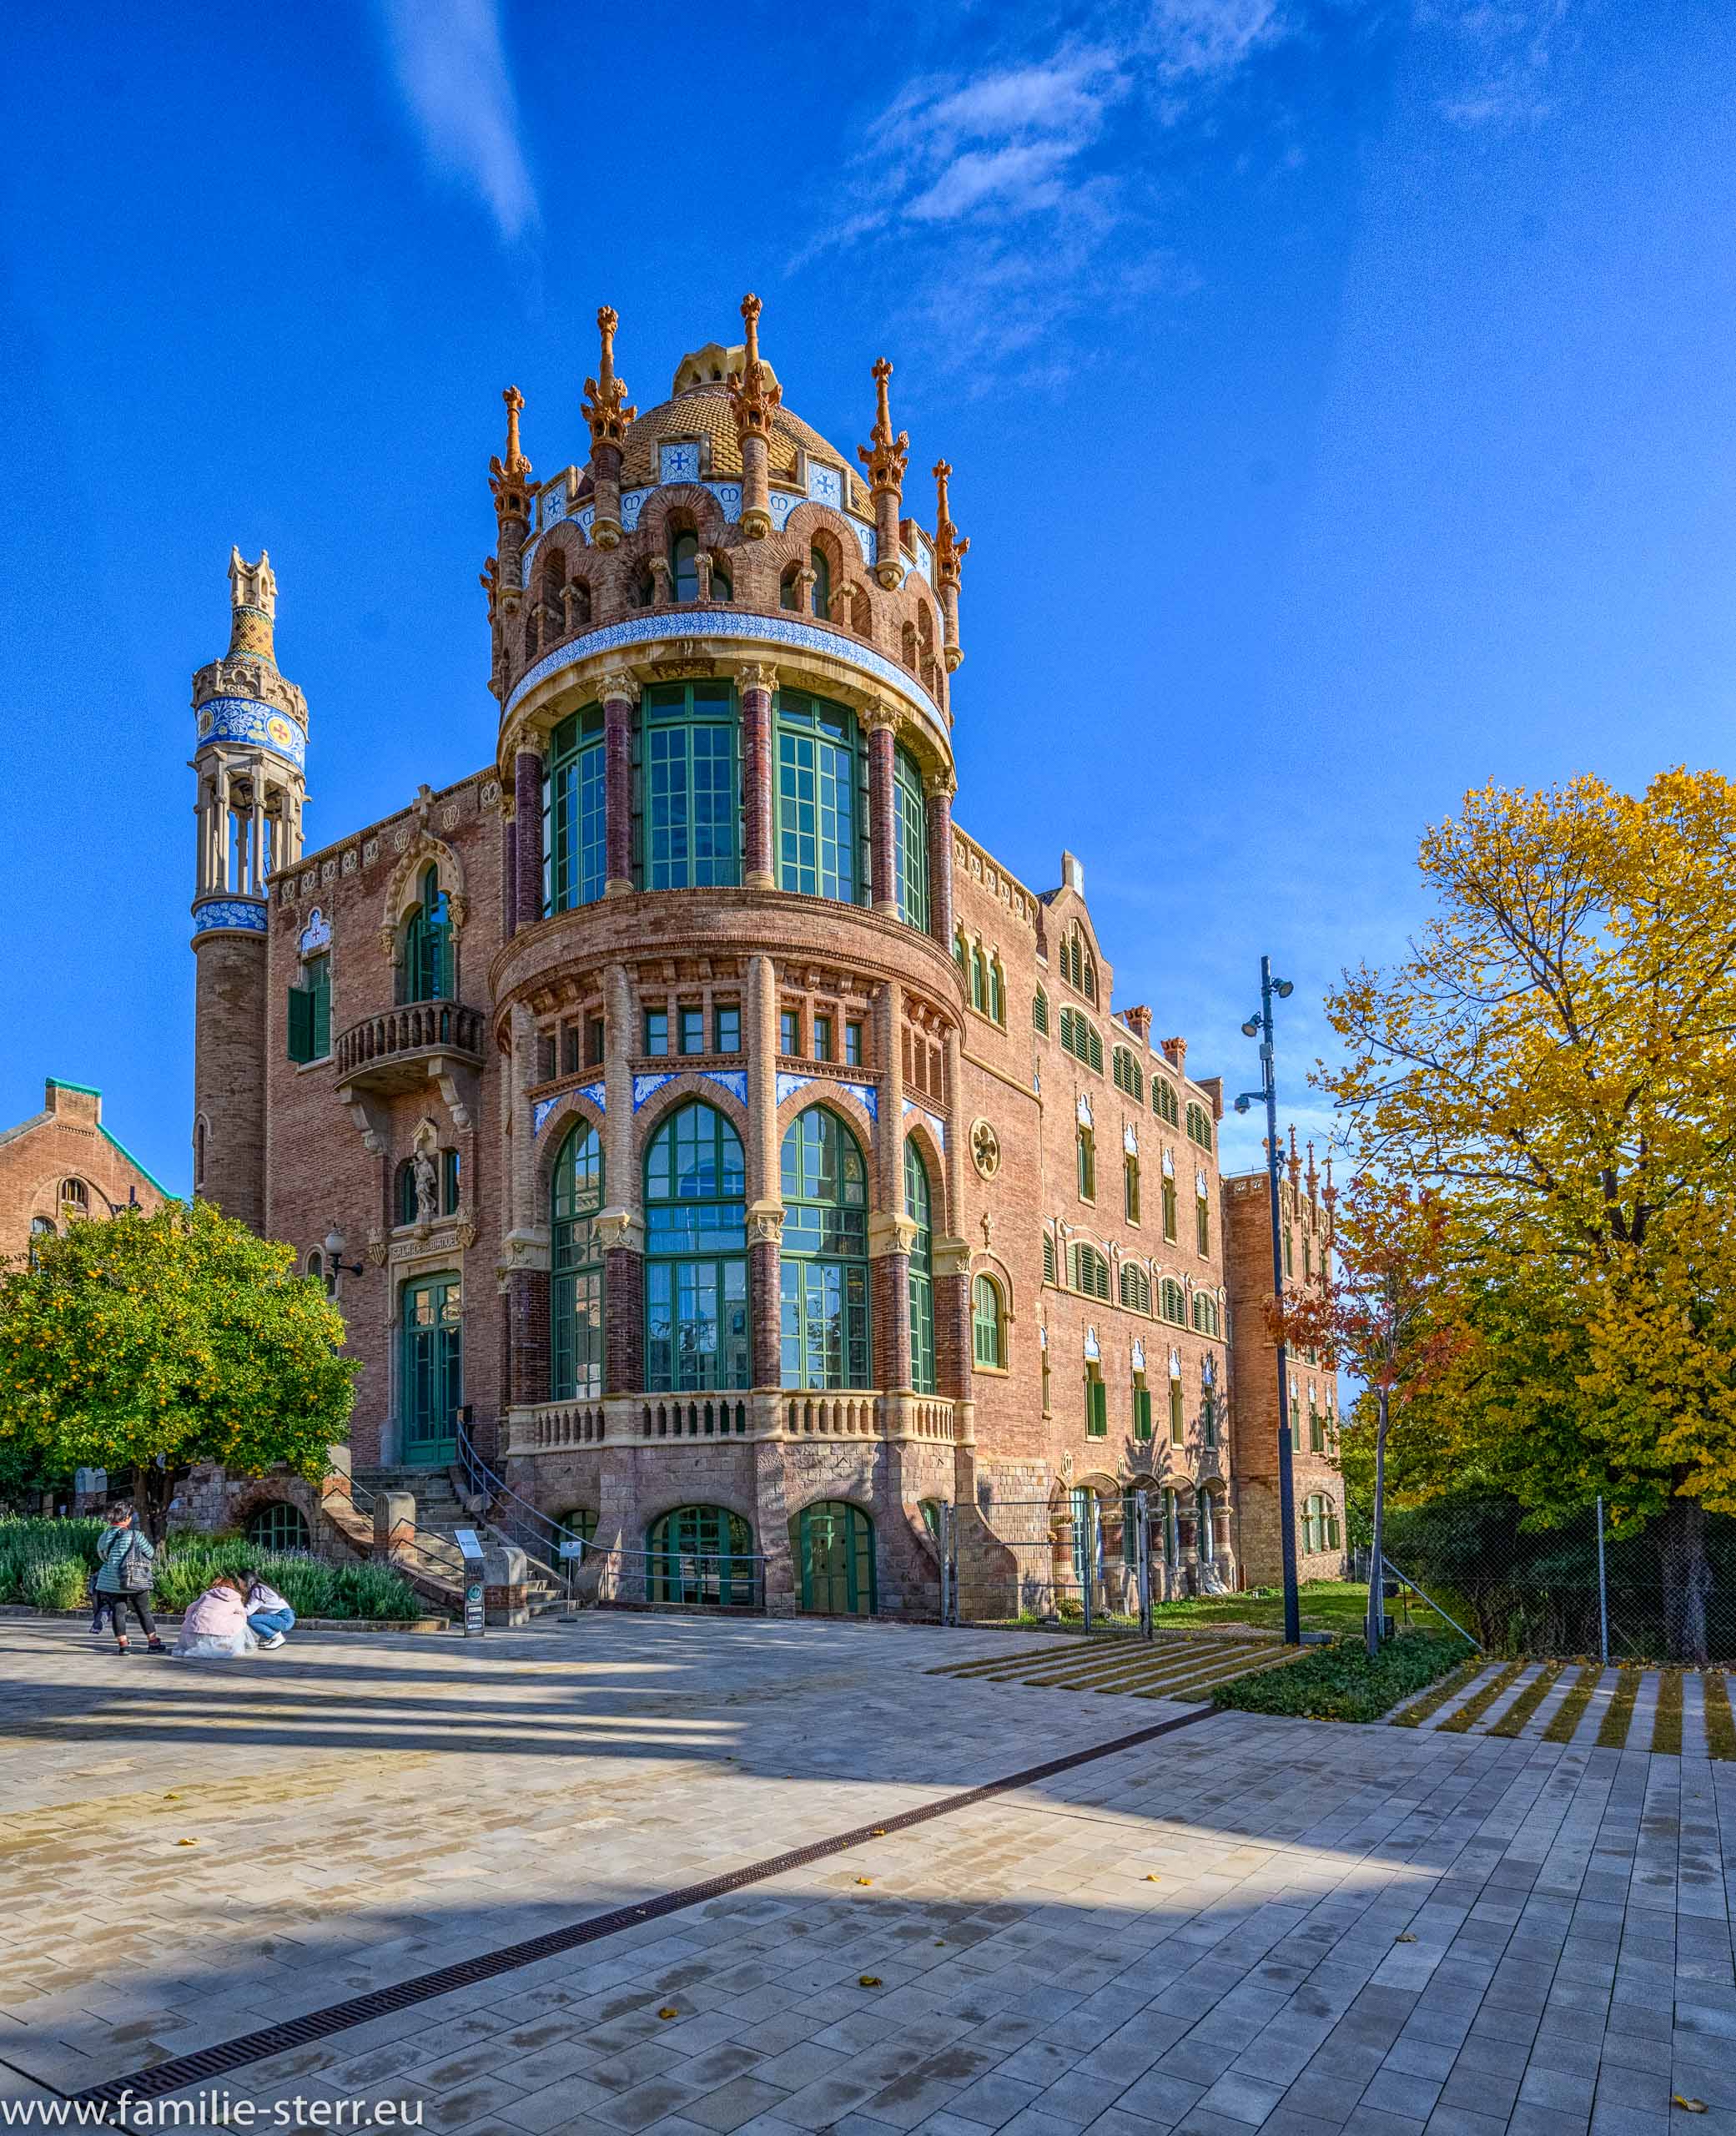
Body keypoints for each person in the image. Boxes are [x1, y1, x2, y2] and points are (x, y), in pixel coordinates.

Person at [92, 1503, 164, 1655]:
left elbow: (103, 1557)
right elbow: (150, 1554)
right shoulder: (136, 1535)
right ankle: (153, 1642)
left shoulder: (104, 1536)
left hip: (111, 1580)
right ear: (127, 1518)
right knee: (144, 1610)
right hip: (135, 1578)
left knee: (119, 1612)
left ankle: (123, 1645)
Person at [175, 1572, 254, 1659]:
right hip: (220, 1633)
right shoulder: (235, 1597)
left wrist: (190, 1621)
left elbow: (190, 1609)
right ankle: (226, 1643)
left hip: (192, 1635)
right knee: (239, 1617)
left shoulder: (207, 1594)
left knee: (196, 1613)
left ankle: (210, 1641)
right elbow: (243, 1614)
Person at [240, 1568, 297, 1650]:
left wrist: (234, 1610)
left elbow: (248, 1612)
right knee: (254, 1617)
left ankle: (277, 1637)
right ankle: (272, 1638)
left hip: (284, 1619)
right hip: (284, 1617)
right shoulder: (260, 1588)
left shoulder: (258, 1591)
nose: (239, 1585)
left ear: (247, 1581)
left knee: (251, 1620)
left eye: (240, 1582)